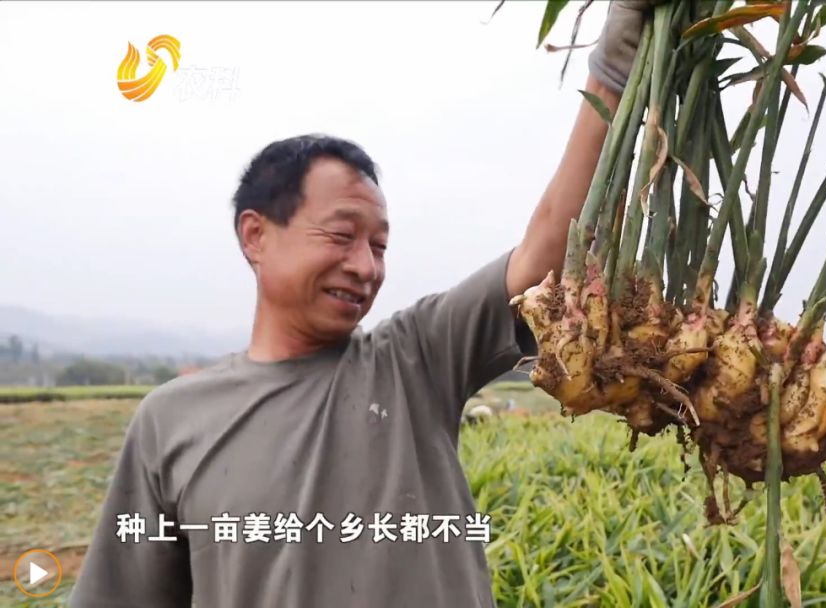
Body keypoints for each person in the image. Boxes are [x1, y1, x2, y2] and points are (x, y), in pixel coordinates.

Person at [70, 2, 659, 606]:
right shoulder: (170, 421)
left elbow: (543, 258)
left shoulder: (414, 360)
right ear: (255, 234)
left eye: (379, 245)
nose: (365, 266)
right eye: (341, 235)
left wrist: (612, 70)